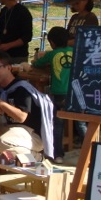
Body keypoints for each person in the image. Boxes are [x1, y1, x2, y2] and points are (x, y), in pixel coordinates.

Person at [0, 52, 54, 160]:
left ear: (8, 67)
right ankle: (6, 163)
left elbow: (21, 117)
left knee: (2, 141)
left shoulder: (22, 88)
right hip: (14, 130)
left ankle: (36, 159)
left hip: (34, 135)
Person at [31, 27, 73, 164]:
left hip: (59, 93)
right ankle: (90, 151)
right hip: (75, 92)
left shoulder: (52, 54)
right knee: (81, 123)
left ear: (52, 43)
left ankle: (58, 154)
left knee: (58, 124)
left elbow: (37, 63)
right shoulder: (75, 51)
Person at [0, 0, 33, 64]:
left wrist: (8, 45)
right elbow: (0, 31)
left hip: (18, 56)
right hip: (3, 56)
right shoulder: (4, 11)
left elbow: (27, 37)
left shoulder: (23, 12)